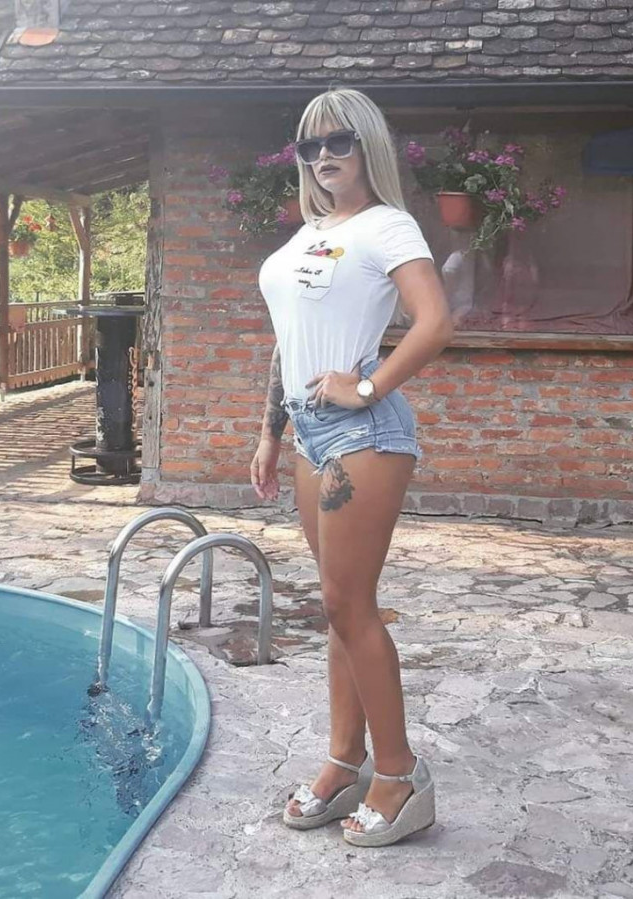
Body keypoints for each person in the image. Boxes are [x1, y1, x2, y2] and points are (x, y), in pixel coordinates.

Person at [251, 88, 453, 847]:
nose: (324, 156)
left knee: (349, 603)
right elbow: (288, 339)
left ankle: (400, 776)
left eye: (339, 141)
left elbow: (434, 322)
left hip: (362, 431)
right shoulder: (309, 234)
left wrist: (366, 388)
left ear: (367, 146)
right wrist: (270, 431)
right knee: (338, 606)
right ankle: (345, 762)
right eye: (311, 146)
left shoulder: (386, 225)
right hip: (308, 430)